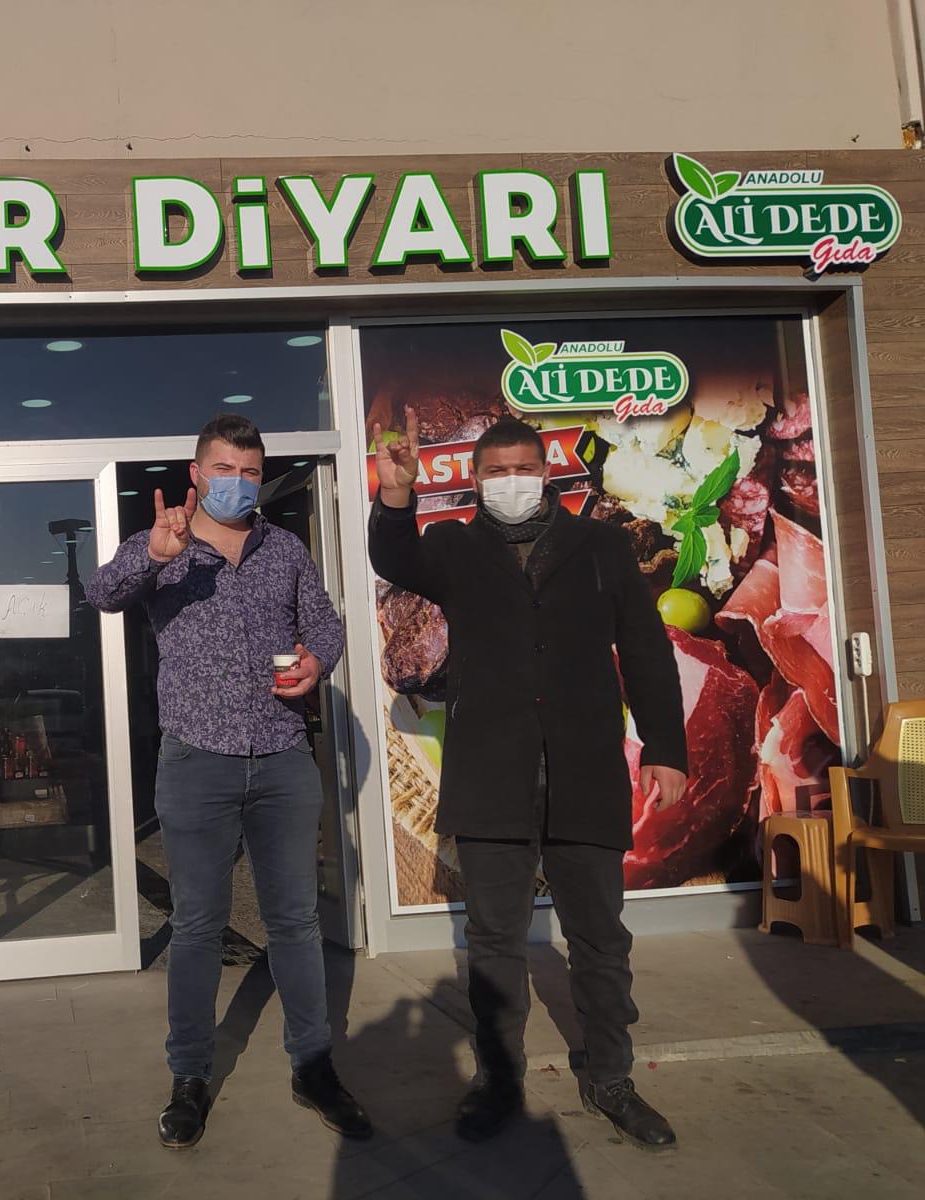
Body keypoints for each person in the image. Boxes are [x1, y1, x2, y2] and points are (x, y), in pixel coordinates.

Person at [366, 410, 687, 1152]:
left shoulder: (600, 546)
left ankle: (610, 1078)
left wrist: (666, 747)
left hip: (585, 770)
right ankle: (499, 1079)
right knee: (494, 941)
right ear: (477, 479)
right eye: (496, 471)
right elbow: (395, 557)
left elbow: (645, 649)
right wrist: (397, 494)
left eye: (523, 468)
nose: (511, 481)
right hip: (491, 774)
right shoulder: (452, 548)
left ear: (546, 473)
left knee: (600, 938)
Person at [86, 413, 371, 1149]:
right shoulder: (167, 547)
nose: (237, 483)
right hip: (196, 760)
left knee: (296, 922)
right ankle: (189, 1076)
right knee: (197, 926)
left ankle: (313, 1065)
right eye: (223, 469)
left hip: (281, 756)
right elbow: (103, 593)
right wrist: (152, 554)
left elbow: (326, 626)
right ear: (196, 474)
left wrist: (317, 663)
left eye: (249, 472)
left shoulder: (285, 550)